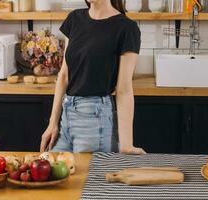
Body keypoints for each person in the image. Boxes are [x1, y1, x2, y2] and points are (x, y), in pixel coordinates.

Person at [40, 0, 146, 155]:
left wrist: (126, 144)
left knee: (88, 178)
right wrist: (52, 123)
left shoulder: (126, 28)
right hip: (66, 117)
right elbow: (64, 75)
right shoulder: (75, 18)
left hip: (95, 120)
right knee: (50, 171)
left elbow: (123, 89)